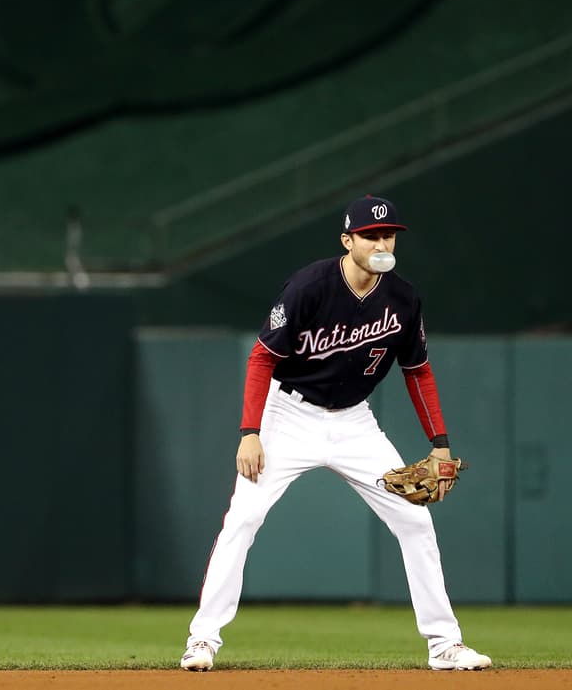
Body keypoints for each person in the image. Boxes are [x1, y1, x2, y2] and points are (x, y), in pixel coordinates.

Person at [179, 195, 492, 672]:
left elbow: (418, 371)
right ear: (348, 241)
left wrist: (439, 443)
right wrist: (250, 431)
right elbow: (263, 357)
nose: (382, 242)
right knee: (243, 519)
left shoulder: (404, 298)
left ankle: (444, 644)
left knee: (415, 521)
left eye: (388, 235)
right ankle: (202, 641)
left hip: (354, 422)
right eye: (371, 235)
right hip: (289, 416)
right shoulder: (309, 286)